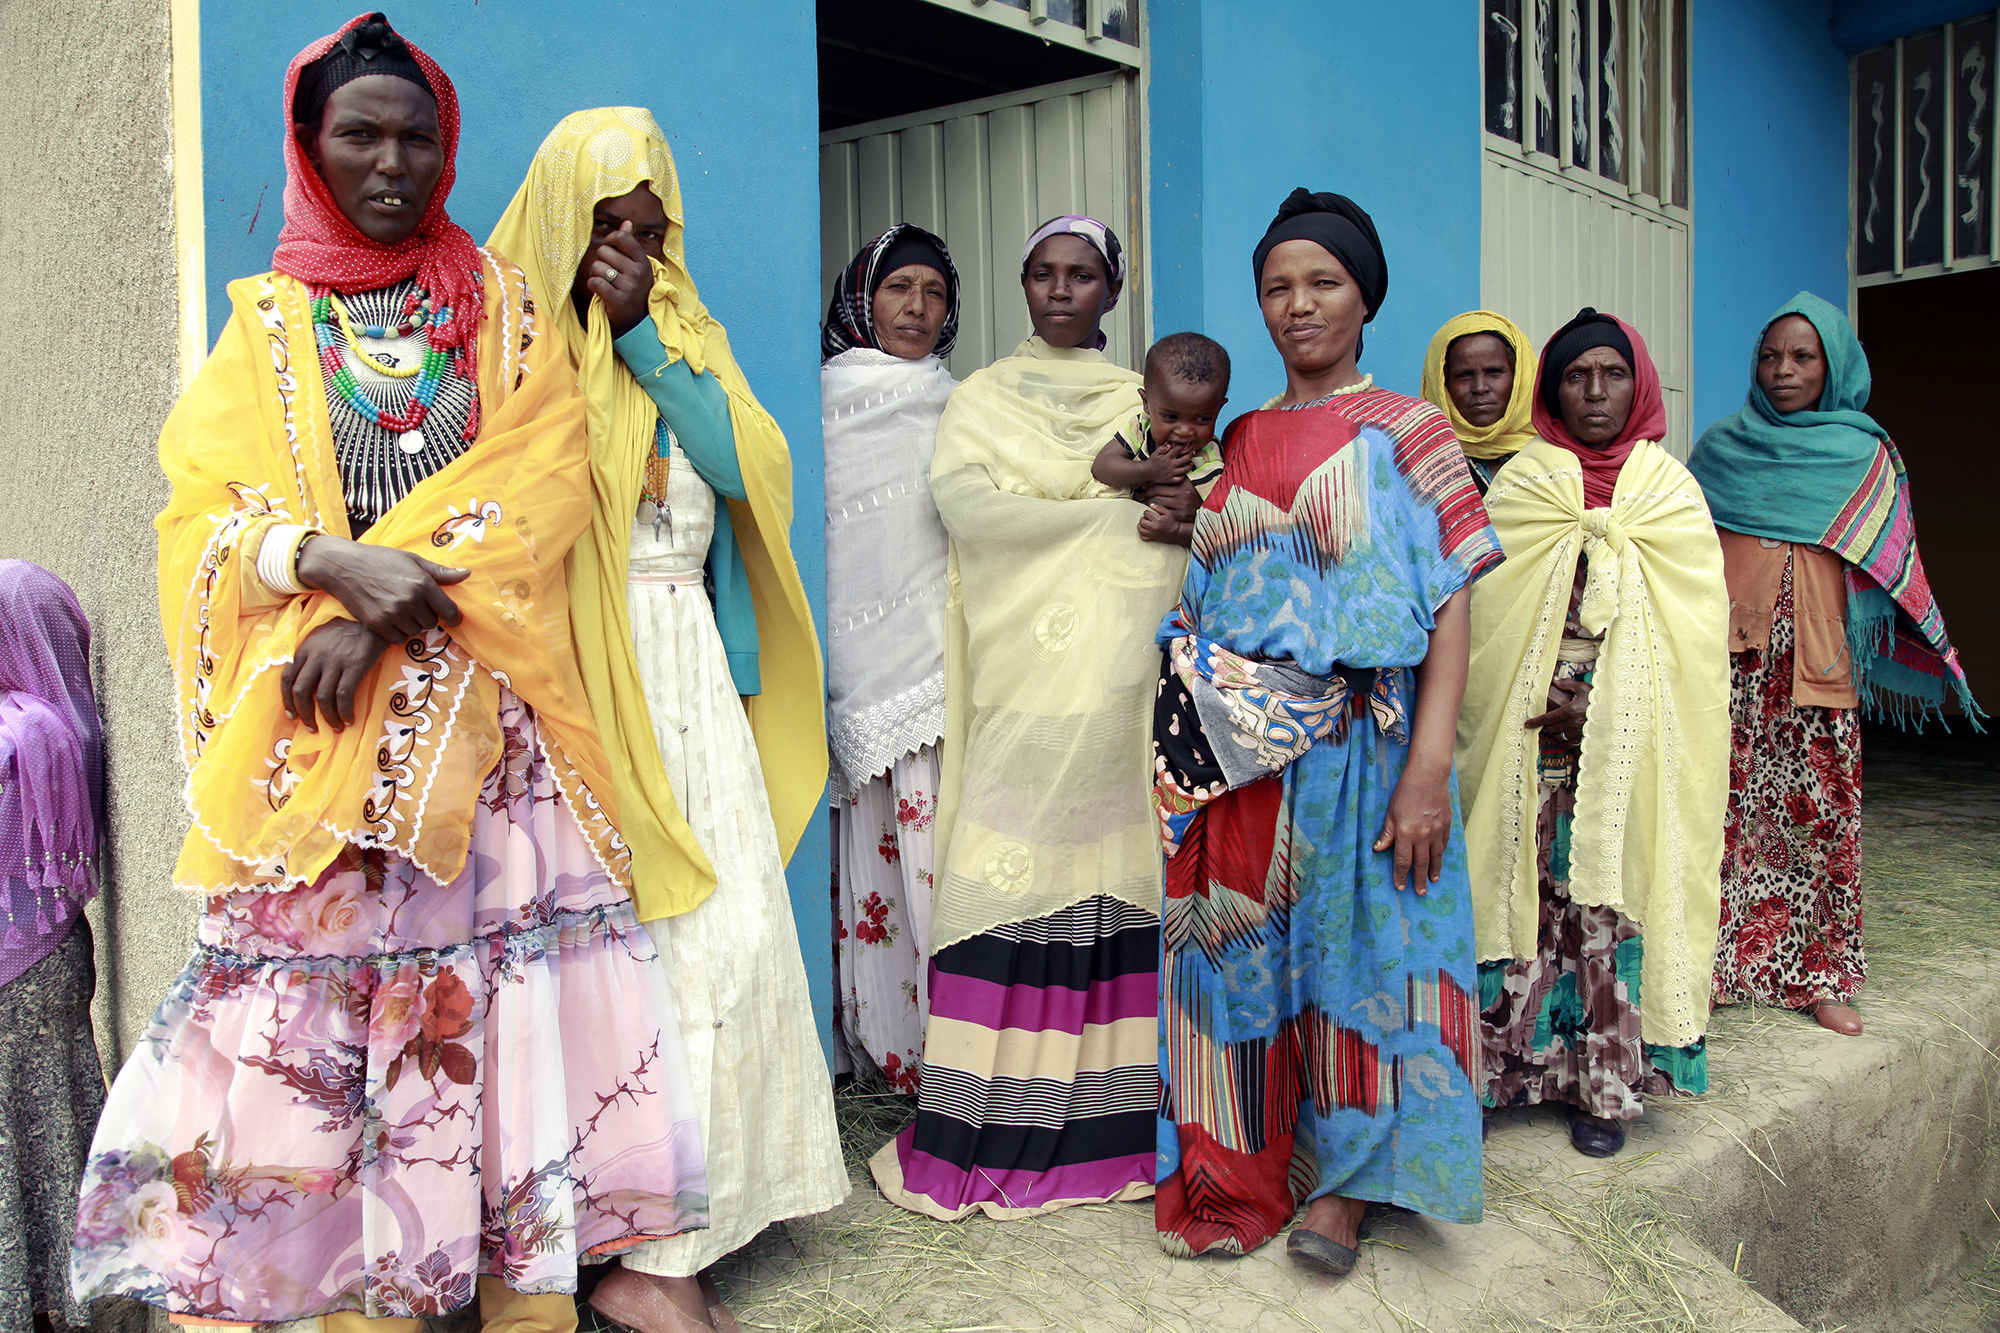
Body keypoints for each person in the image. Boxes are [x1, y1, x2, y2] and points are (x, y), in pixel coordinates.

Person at [72, 22, 709, 1327]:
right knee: (314, 1046)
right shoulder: (265, 329)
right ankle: (342, 1304)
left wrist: (383, 606)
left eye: (416, 134)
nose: (392, 159)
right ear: (309, 146)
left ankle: (505, 1294)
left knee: (479, 1030)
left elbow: (545, 485)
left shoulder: (502, 311)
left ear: (447, 145)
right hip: (322, 764)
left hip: (485, 755)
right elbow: (201, 514)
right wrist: (322, 561)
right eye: (359, 132)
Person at [487, 107, 846, 1333]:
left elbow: (748, 474)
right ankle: (631, 1254)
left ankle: (688, 1229)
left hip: (685, 670)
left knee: (725, 943)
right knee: (616, 963)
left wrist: (643, 335)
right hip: (579, 687)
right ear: (560, 228)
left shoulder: (681, 331)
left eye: (650, 232)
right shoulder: (510, 341)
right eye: (605, 232)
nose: (630, 253)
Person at [1151, 188, 1501, 1274]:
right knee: (1243, 960)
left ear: (1363, 297)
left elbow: (1449, 597)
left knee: (1363, 964)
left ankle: (1346, 1192)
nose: (1296, 305)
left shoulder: (1411, 432)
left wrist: (1429, 764)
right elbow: (1207, 581)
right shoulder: (1243, 434)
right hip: (1239, 745)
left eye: (1321, 283)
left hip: (1363, 743)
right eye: (1275, 287)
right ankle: (1242, 1166)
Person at [868, 215, 1194, 1222]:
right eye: (1043, 274)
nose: (1061, 290)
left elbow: (1191, 502)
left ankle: (1104, 1135)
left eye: (1082, 274)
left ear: (1111, 288)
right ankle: (987, 1127)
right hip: (1018, 679)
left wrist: (1159, 503)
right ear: (1020, 286)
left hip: (1116, 682)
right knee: (997, 881)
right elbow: (968, 509)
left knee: (1110, 874)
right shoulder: (981, 397)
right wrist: (1103, 506)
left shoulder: (1143, 400)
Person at [1456, 308, 1728, 1161]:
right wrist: (1543, 694)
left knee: (1608, 902)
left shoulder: (1669, 492)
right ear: (1554, 390)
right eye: (1578, 376)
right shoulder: (1525, 487)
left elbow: (1691, 642)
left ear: (1638, 383)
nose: (1596, 391)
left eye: (1612, 374)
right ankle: (1504, 1072)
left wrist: (1605, 704)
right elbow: (1490, 622)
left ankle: (1601, 1085)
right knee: (1520, 895)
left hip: (1627, 744)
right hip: (1526, 736)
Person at [1689, 292, 1981, 1037]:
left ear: (1834, 367)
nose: (1783, 370)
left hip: (1819, 669)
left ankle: (1819, 974)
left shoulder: (1865, 456)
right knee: (1715, 811)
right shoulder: (1722, 449)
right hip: (1726, 668)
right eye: (1770, 356)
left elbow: (1891, 564)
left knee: (1819, 819)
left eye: (1802, 356)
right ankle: (1709, 964)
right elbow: (1682, 555)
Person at [818, 224, 961, 1096]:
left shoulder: (963, 401)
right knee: (863, 847)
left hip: (936, 667)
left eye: (934, 293)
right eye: (898, 287)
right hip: (850, 664)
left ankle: (947, 1056)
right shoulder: (822, 398)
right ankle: (876, 1049)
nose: (915, 307)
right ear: (862, 298)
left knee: (935, 848)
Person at [0, 563, 107, 1333]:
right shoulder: (35, 739)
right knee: (66, 1141)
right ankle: (83, 1304)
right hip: (42, 967)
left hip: (32, 971)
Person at [1090, 331, 1231, 545]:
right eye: (1170, 417)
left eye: (1202, 419)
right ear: (1146, 404)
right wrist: (1147, 470)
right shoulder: (1141, 427)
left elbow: (1223, 531)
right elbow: (1101, 466)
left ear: (1218, 410)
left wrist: (1176, 532)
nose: (1184, 431)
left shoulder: (1210, 462)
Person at [1420, 311, 1539, 493]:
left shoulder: (1555, 458)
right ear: (1442, 385)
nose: (1480, 387)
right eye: (1464, 375)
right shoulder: (1421, 466)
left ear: (1519, 377)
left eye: (1494, 372)